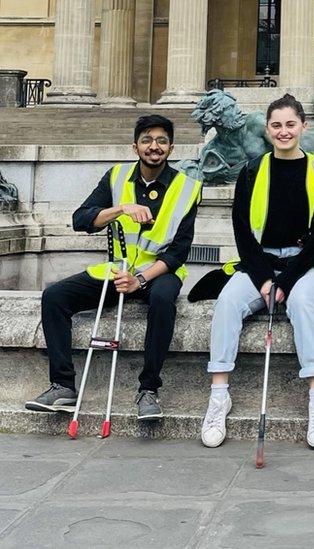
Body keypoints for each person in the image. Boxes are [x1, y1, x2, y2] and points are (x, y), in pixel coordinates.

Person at [26, 115, 202, 420]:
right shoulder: (117, 176)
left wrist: (140, 279)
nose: (154, 146)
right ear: (135, 146)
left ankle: (148, 389)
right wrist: (120, 208)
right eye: (147, 140)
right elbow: (81, 220)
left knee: (162, 301)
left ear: (171, 147)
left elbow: (179, 252)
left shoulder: (189, 187)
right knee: (54, 297)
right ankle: (63, 386)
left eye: (161, 140)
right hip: (117, 269)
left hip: (159, 272)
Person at [199, 94, 314, 449]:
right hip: (261, 262)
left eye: (290, 124)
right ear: (268, 129)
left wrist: (286, 283)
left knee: (302, 303)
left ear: (303, 127)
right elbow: (242, 232)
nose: (283, 132)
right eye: (276, 125)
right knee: (228, 302)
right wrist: (265, 280)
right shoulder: (251, 171)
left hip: (309, 264)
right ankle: (219, 395)